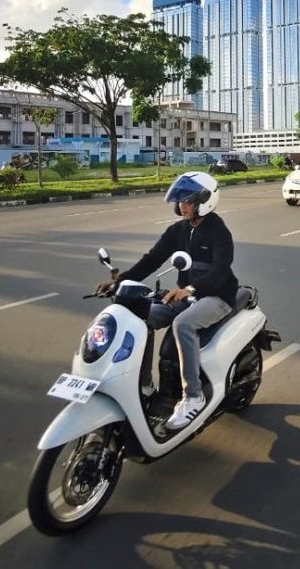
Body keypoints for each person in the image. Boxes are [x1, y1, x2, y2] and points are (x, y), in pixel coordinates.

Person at [97, 172, 238, 430]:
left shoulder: (219, 231)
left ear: (204, 201)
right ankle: (145, 384)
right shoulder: (178, 231)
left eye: (188, 200)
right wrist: (120, 282)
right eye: (180, 200)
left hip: (217, 296)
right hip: (186, 295)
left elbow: (220, 271)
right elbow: (152, 260)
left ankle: (194, 397)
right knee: (141, 314)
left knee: (183, 324)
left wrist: (191, 288)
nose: (182, 205)